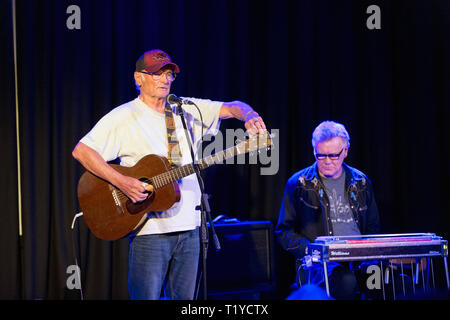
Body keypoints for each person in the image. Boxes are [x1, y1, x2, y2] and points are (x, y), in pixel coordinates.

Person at [72, 49, 266, 300]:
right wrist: (123, 182)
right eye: (156, 74)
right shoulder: (123, 117)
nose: (164, 79)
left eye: (168, 73)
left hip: (191, 229)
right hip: (150, 230)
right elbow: (82, 151)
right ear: (138, 78)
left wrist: (249, 115)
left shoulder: (186, 110)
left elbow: (233, 107)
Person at [275, 120, 381, 299]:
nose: (327, 161)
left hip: (359, 259)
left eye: (333, 155)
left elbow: (372, 226)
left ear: (345, 151)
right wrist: (313, 251)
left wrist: (368, 255)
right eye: (320, 155)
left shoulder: (361, 182)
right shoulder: (299, 183)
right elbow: (283, 230)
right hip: (319, 263)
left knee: (388, 281)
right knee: (345, 281)